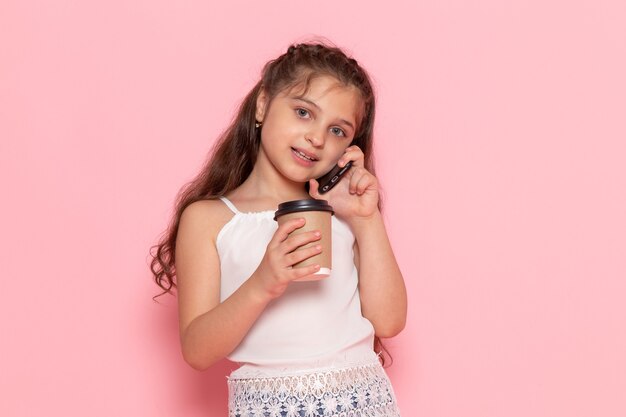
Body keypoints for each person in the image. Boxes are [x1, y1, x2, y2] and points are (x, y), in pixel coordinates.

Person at [151, 41, 407, 417]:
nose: (317, 138)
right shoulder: (211, 219)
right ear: (262, 105)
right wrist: (263, 282)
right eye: (303, 112)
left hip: (361, 403)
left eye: (337, 130)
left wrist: (367, 220)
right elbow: (197, 350)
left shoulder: (344, 212)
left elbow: (389, 320)